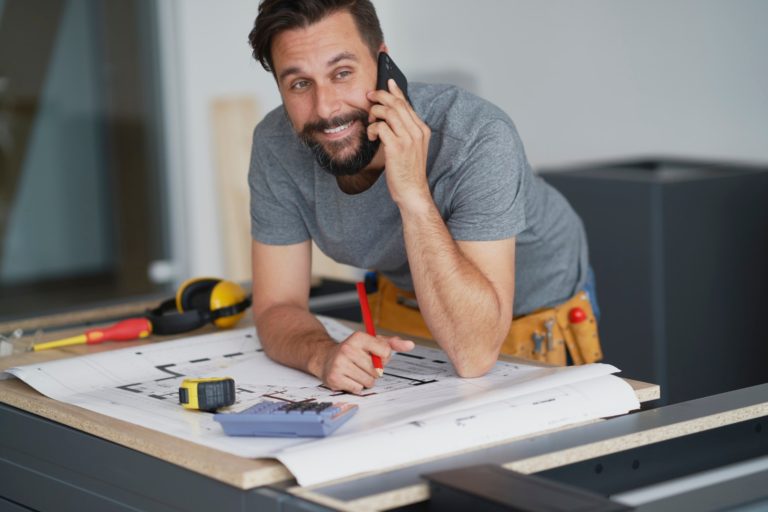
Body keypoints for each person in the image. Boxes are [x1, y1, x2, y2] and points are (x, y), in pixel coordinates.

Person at [247, 0, 600, 394]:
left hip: (536, 308)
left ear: (383, 64)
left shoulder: (476, 137)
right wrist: (322, 355)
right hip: (421, 299)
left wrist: (413, 192)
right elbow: (277, 305)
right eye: (299, 83)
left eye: (342, 73)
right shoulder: (275, 144)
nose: (326, 108)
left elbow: (474, 353)